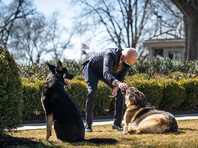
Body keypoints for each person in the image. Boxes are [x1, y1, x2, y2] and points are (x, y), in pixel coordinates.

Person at [82, 48, 138, 132]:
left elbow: (121, 76)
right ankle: (88, 124)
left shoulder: (127, 60)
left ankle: (117, 124)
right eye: (129, 62)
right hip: (92, 69)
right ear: (122, 56)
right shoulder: (110, 55)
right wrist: (118, 83)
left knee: (120, 92)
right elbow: (106, 73)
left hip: (106, 73)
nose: (130, 64)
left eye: (131, 63)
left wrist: (116, 87)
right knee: (92, 91)